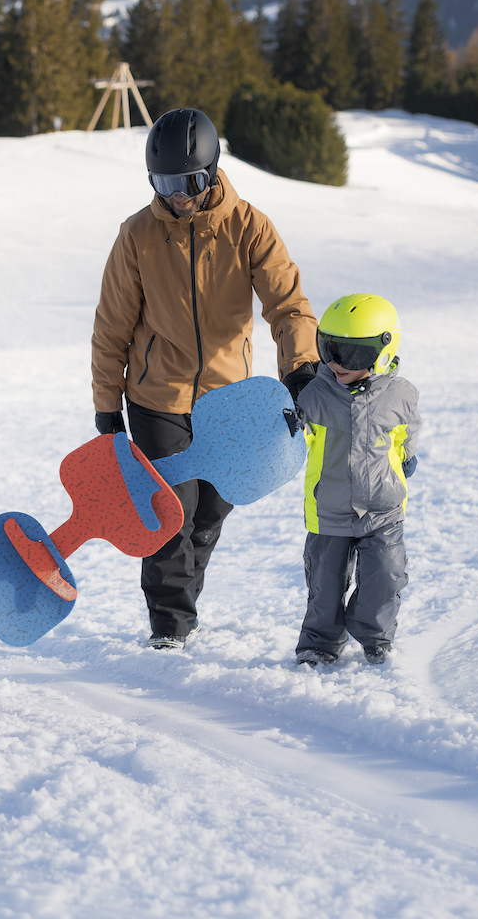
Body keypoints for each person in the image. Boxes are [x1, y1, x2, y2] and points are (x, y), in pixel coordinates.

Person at [91, 107, 320, 650]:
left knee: (209, 515)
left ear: (213, 171)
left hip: (230, 403)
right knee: (169, 517)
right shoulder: (138, 236)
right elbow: (111, 328)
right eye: (164, 184)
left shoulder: (250, 227)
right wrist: (106, 407)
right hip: (158, 399)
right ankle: (170, 630)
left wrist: (301, 368)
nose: (178, 196)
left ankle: (182, 602)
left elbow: (288, 307)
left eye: (189, 183)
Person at [293, 294, 420, 666]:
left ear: (381, 350)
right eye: (328, 348)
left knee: (386, 577)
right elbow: (298, 441)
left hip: (383, 506)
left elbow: (405, 431)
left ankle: (374, 635)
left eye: (349, 354)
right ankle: (320, 641)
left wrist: (409, 454)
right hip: (329, 507)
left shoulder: (401, 394)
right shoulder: (314, 394)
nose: (334, 362)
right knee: (324, 585)